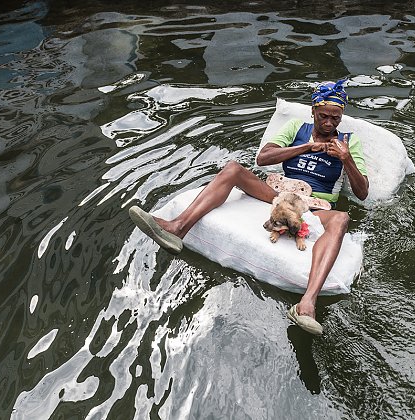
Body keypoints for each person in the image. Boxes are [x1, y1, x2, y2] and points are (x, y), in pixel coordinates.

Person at [129, 80, 368, 335]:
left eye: (336, 118)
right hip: (280, 193)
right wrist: (307, 147)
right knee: (233, 168)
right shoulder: (297, 127)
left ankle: (307, 303)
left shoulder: (348, 143)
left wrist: (346, 159)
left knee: (341, 218)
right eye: (324, 116)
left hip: (315, 205)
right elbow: (263, 158)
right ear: (313, 111)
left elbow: (362, 192)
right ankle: (177, 228)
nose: (330, 123)